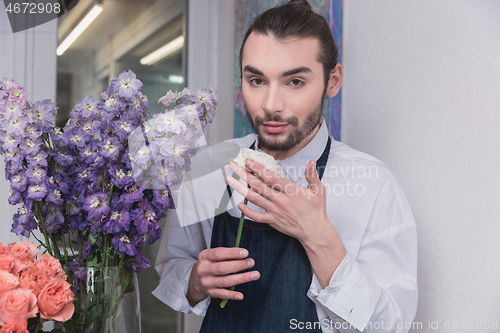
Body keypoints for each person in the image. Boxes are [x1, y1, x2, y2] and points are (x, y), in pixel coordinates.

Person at [153, 1, 418, 332]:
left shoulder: (373, 184)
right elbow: (171, 266)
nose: (271, 105)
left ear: (332, 81)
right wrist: (195, 280)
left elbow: (391, 326)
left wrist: (319, 237)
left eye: (294, 82)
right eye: (257, 80)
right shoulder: (209, 166)